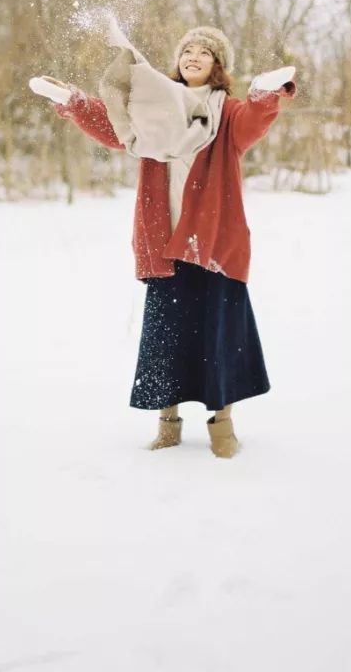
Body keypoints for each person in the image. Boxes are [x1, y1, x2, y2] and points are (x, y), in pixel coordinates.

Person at [34, 23, 296, 458]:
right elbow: (113, 126)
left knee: (219, 339)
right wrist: (72, 101)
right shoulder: (154, 108)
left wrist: (265, 94)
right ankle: (168, 427)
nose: (193, 56)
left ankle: (223, 431)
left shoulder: (227, 114)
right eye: (187, 50)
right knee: (165, 339)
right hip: (164, 245)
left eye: (204, 52)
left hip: (214, 247)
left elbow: (254, 121)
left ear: (218, 67)